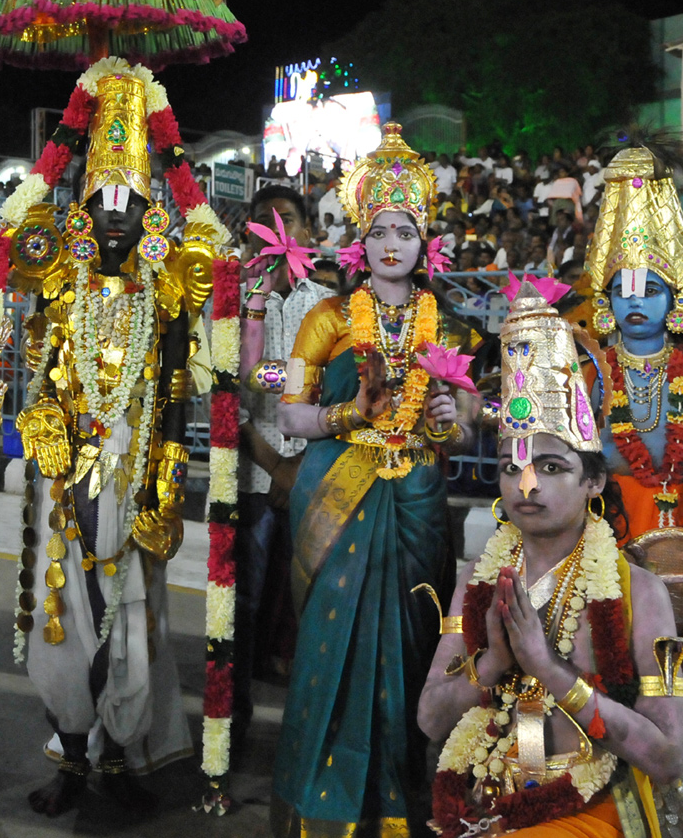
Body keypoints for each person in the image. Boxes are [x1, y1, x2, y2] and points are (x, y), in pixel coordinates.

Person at [4, 61, 214, 816]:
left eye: (131, 203)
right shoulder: (62, 286)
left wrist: (167, 480)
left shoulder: (167, 299)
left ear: (150, 216)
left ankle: (123, 759)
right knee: (63, 618)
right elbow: (35, 383)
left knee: (131, 619)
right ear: (83, 212)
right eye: (103, 202)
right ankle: (70, 751)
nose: (117, 216)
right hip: (66, 480)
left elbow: (181, 397)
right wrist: (43, 432)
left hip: (136, 479)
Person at [270, 123, 483, 838]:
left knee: (413, 649)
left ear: (425, 242)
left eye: (406, 230)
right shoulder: (328, 320)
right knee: (333, 646)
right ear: (362, 238)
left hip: (417, 501)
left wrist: (456, 413)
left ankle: (401, 804)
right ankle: (322, 802)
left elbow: (472, 419)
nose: (393, 244)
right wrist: (347, 415)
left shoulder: (445, 326)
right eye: (381, 230)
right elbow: (289, 414)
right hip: (338, 494)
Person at [417, 280, 683, 838]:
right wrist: (490, 667)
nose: (527, 485)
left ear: (593, 482)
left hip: (590, 810)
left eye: (552, 467)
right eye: (512, 466)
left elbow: (666, 757)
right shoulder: (479, 579)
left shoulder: (640, 591)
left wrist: (549, 671)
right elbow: (430, 719)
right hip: (484, 805)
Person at [236, 185, 336, 746]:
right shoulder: (230, 301)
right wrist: (275, 466)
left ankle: (307, 729)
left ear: (305, 232)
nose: (273, 227)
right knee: (244, 600)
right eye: (260, 220)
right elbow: (227, 398)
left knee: (310, 597)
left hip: (313, 472)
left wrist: (300, 467)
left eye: (287, 218)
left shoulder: (325, 304)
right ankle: (235, 722)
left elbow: (329, 396)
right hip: (254, 473)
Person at [584, 144, 683, 540]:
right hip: (614, 523)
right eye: (623, 291)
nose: (636, 300)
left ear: (675, 299)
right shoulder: (590, 374)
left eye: (651, 290)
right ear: (607, 302)